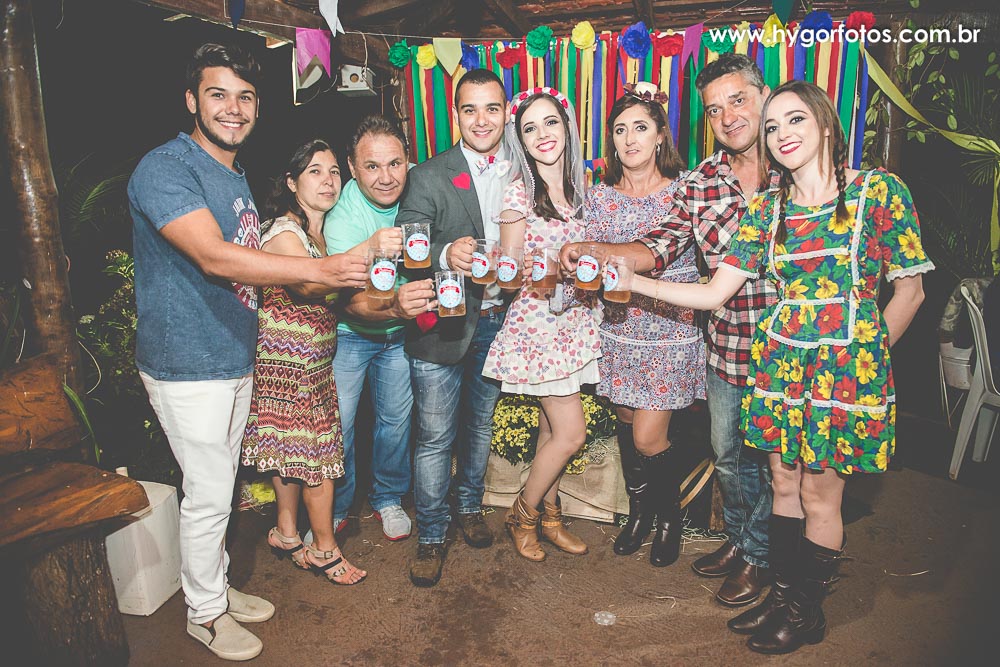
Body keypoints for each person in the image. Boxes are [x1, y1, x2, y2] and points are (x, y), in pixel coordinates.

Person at [629, 79, 931, 654]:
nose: (781, 133)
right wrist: (635, 282)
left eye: (795, 119)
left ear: (825, 123)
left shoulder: (878, 192)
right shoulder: (767, 209)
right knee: (784, 488)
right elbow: (714, 292)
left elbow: (910, 292)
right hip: (780, 369)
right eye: (772, 126)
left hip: (844, 376)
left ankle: (804, 612)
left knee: (820, 497)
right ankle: (783, 592)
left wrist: (863, 362)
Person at [128, 44, 368, 661]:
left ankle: (215, 588)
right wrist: (323, 268)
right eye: (218, 94)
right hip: (187, 361)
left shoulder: (232, 177)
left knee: (222, 486)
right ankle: (205, 615)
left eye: (245, 97)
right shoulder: (166, 168)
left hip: (234, 354)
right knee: (209, 493)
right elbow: (213, 257)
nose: (232, 109)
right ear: (191, 100)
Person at [561, 53, 778, 606]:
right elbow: (657, 247)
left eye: (738, 101)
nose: (727, 116)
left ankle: (719, 539)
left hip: (733, 336)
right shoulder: (701, 184)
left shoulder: (795, 167)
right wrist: (592, 252)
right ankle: (712, 535)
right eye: (715, 109)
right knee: (728, 455)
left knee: (781, 466)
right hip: (709, 339)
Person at [395, 68, 511, 587]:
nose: (481, 120)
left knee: (480, 425)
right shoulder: (428, 174)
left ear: (505, 113)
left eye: (492, 108)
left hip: (499, 320)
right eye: (470, 109)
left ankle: (469, 507)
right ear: (455, 115)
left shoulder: (521, 171)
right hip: (441, 324)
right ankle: (431, 534)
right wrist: (445, 253)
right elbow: (405, 241)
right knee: (435, 437)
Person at [584, 82, 706, 567]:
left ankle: (670, 516)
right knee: (626, 421)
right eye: (620, 130)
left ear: (660, 136)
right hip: (617, 330)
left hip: (668, 331)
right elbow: (591, 268)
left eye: (640, 127)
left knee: (648, 437)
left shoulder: (684, 192)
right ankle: (640, 513)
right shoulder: (599, 197)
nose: (629, 138)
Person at [242, 139, 369, 588]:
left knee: (291, 453)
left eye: (334, 171)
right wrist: (371, 248)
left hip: (310, 364)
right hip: (289, 367)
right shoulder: (284, 231)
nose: (328, 180)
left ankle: (286, 532)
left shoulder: (320, 233)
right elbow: (309, 286)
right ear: (292, 182)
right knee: (317, 457)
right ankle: (325, 549)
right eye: (315, 171)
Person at [482, 87, 600, 561]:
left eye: (550, 122)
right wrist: (519, 267)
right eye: (529, 128)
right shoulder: (518, 192)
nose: (542, 134)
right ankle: (523, 514)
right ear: (521, 140)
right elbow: (506, 275)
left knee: (553, 433)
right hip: (539, 328)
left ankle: (551, 518)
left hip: (575, 321)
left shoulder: (582, 186)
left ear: (567, 126)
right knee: (572, 434)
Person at [324, 115, 427, 541]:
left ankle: (388, 497)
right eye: (371, 166)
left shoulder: (421, 188)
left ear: (408, 161)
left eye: (395, 164)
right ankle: (336, 508)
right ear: (352, 167)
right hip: (352, 334)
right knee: (341, 424)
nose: (386, 178)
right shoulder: (341, 218)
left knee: (395, 422)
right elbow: (349, 302)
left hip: (401, 336)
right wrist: (397, 309)